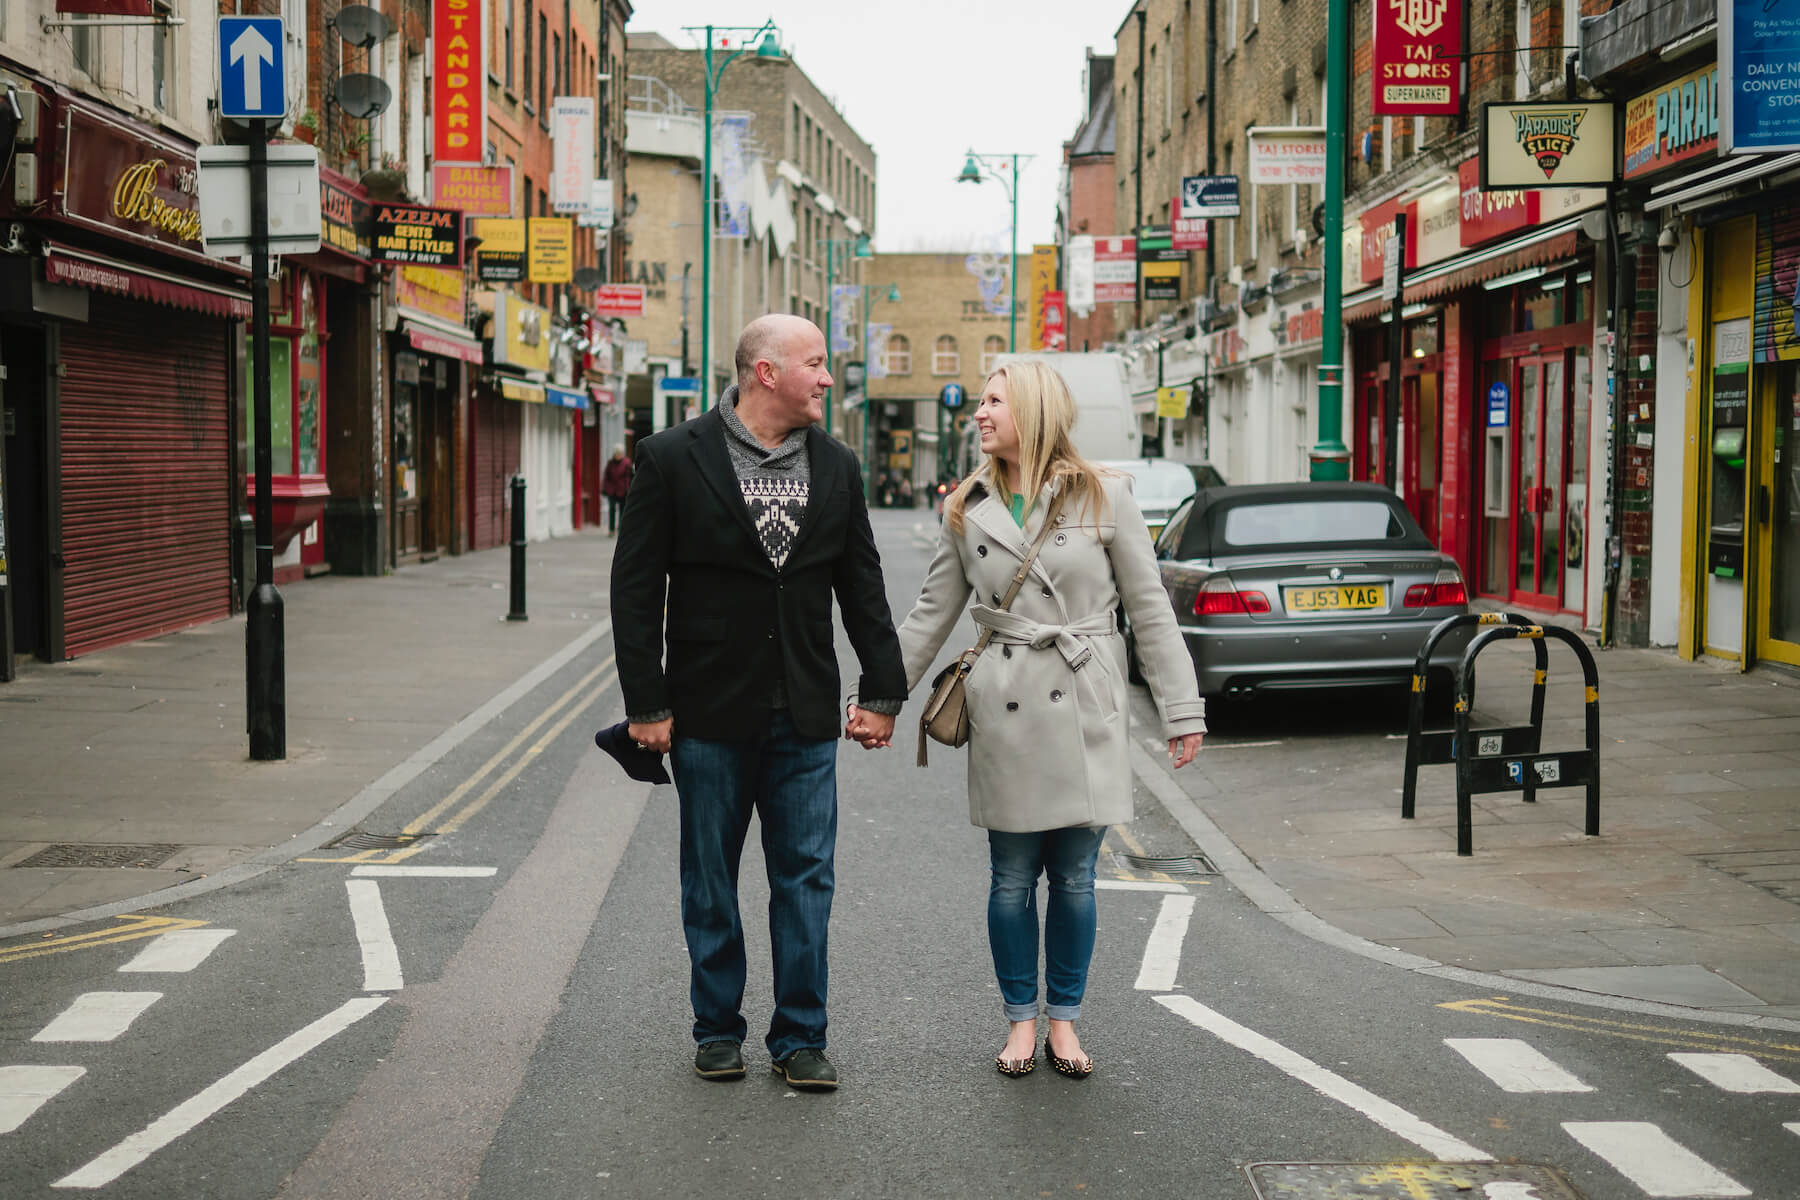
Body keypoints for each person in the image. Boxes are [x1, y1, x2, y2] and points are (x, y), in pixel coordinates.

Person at [881, 359, 1206, 1081]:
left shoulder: (1106, 496)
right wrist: (879, 699)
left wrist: (1182, 709)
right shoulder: (966, 506)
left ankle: (1065, 1021)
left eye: (994, 401)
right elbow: (929, 617)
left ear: (1030, 411)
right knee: (1010, 878)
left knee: (1078, 878)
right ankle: (1019, 1022)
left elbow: (1150, 611)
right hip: (1007, 704)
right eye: (982, 402)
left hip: (1085, 700)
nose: (980, 413)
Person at [611, 313, 907, 1092]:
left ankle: (801, 1035)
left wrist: (882, 691)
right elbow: (636, 590)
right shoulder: (673, 458)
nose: (826, 377)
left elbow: (863, 589)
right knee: (709, 878)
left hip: (804, 713)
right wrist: (646, 700)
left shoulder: (837, 466)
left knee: (807, 879)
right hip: (707, 712)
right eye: (814, 363)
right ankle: (717, 1029)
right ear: (765, 372)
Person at [601, 444, 632, 534]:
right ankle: (611, 529)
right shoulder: (610, 462)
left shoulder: (627, 462)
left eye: (620, 454)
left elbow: (628, 477)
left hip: (623, 490)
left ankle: (621, 529)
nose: (618, 455)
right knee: (612, 509)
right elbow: (606, 476)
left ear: (623, 454)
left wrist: (628, 489)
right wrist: (605, 488)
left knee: (623, 510)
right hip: (612, 490)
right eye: (616, 454)